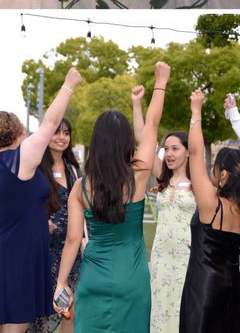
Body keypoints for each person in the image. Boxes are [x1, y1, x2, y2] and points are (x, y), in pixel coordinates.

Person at [54, 63, 171, 333]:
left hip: (93, 279)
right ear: (126, 141)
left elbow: (73, 241)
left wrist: (61, 283)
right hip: (132, 279)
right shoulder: (139, 175)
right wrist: (160, 82)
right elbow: (152, 124)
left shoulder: (81, 187)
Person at [0, 67, 82, 333]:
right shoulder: (18, 159)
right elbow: (50, 124)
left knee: (0, 325)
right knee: (16, 326)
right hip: (19, 253)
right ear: (16, 132)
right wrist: (68, 84)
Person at [179, 89, 240, 329]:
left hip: (204, 287)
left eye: (214, 166)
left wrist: (196, 111)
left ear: (223, 174)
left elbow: (193, 153)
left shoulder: (211, 204)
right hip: (234, 286)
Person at [30, 119, 82, 333]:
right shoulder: (35, 168)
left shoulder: (74, 169)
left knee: (70, 308)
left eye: (66, 133)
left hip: (72, 247)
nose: (62, 137)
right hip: (43, 248)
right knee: (38, 314)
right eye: (56, 133)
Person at [147, 126, 194, 333]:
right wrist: (138, 105)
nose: (169, 154)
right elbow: (146, 142)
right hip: (160, 256)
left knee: (183, 309)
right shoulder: (163, 180)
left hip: (188, 256)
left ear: (188, 152)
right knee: (160, 307)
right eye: (166, 149)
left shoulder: (198, 184)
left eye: (175, 149)